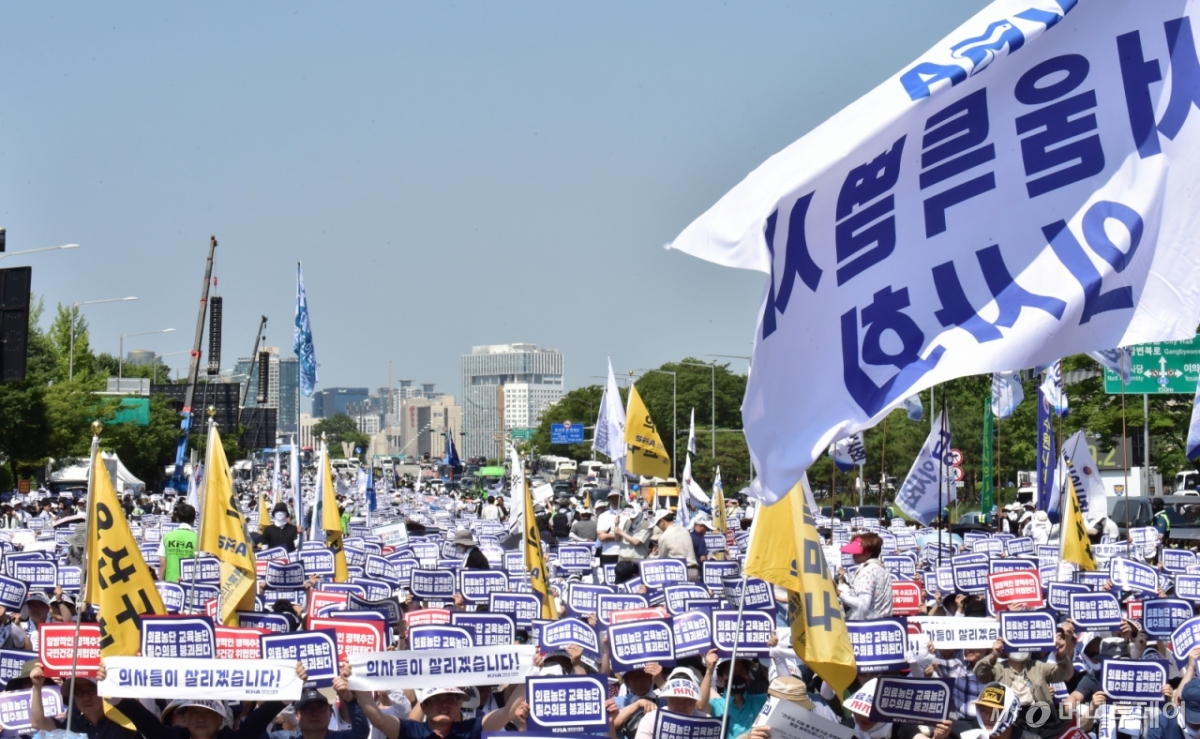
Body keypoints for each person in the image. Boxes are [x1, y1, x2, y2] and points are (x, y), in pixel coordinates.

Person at [29, 663, 137, 739]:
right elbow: (38, 723)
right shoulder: (70, 724)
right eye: (80, 692)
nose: (86, 698)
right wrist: (37, 687)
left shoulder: (122, 721)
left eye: (91, 691)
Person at [699, 651, 768, 739]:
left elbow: (782, 696)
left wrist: (772, 660)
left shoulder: (760, 701)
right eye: (730, 672)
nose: (737, 675)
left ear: (748, 677)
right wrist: (709, 670)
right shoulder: (715, 706)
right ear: (720, 679)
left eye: (742, 671)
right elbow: (700, 706)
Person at [835, 533, 892, 620]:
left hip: (867, 627)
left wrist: (838, 593)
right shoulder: (882, 569)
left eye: (857, 551)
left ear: (868, 553)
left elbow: (863, 605)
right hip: (883, 623)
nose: (853, 554)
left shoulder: (868, 571)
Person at [650, 510, 699, 580]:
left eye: (658, 524)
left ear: (662, 521)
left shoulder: (664, 536)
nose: (658, 526)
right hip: (694, 570)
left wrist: (653, 555)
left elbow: (662, 558)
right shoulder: (685, 530)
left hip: (679, 573)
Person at [159, 503, 198, 582]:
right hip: (190, 585)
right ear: (194, 519)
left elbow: (163, 565)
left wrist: (161, 585)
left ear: (178, 519)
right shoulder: (199, 538)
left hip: (171, 586)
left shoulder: (167, 536)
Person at [597, 493, 623, 566]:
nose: (615, 501)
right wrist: (621, 535)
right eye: (612, 498)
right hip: (608, 552)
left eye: (617, 498)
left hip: (624, 553)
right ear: (609, 500)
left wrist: (609, 536)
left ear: (621, 499)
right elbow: (601, 537)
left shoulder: (627, 514)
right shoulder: (603, 516)